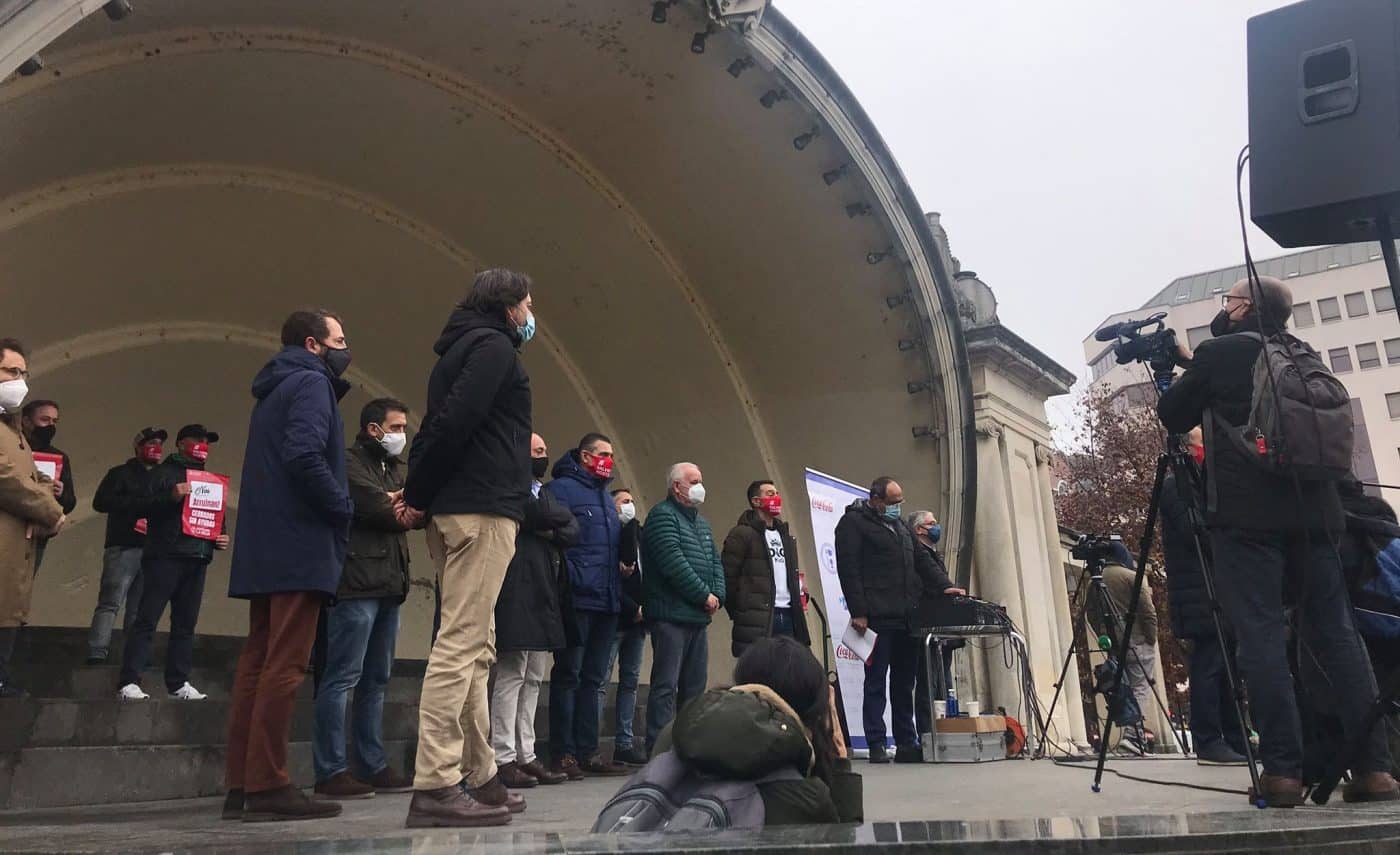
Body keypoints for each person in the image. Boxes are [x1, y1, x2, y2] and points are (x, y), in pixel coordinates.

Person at [1158, 274, 1398, 806]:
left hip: (1247, 523)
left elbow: (1173, 413)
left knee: (1260, 638)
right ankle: (1375, 768)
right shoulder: (1301, 351)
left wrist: (1189, 364)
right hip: (1318, 517)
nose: (1225, 309)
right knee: (1338, 638)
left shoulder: (1219, 353)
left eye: (1230, 302)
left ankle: (1284, 772)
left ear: (1243, 308)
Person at [400, 269, 534, 828]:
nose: (531, 313)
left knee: (479, 646)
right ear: (508, 306)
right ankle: (435, 783)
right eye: (527, 302)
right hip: (482, 511)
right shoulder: (496, 347)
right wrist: (416, 493)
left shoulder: (457, 350)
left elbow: (438, 426)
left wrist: (420, 494)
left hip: (457, 508)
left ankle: (481, 776)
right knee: (460, 645)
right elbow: (453, 422)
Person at [223, 309, 355, 823]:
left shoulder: (274, 388)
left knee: (257, 662)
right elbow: (305, 456)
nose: (347, 349)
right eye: (340, 340)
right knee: (286, 663)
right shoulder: (311, 384)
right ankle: (269, 783)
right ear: (313, 343)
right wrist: (342, 507)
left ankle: (241, 782)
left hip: (265, 543)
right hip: (300, 542)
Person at [599, 636, 862, 829]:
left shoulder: (678, 732)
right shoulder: (803, 794)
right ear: (813, 713)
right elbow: (845, 843)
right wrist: (838, 764)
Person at [311, 398, 415, 800]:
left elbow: (414, 507)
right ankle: (330, 769)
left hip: (391, 582)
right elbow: (374, 506)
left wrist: (399, 501)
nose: (401, 435)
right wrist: (396, 502)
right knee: (341, 677)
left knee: (377, 679)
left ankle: (372, 765)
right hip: (356, 582)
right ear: (374, 428)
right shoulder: (349, 462)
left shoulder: (396, 468)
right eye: (396, 426)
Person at [835, 477, 963, 764]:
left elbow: (922, 560)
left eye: (900, 502)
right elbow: (849, 569)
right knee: (876, 681)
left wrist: (944, 585)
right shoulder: (853, 524)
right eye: (893, 502)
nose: (897, 507)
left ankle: (907, 741)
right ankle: (877, 741)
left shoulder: (901, 528)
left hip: (907, 616)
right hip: (877, 616)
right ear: (876, 499)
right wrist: (859, 611)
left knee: (904, 683)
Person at [117, 424, 231, 701]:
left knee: (186, 624)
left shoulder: (210, 480)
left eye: (207, 440)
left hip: (197, 556)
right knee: (147, 618)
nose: (202, 444)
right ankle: (129, 680)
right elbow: (138, 507)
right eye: (197, 439)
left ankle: (178, 683)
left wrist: (221, 536)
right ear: (181, 444)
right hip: (164, 555)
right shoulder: (162, 474)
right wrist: (171, 496)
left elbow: (215, 515)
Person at [491, 433, 576, 789]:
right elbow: (538, 513)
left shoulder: (546, 491)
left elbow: (572, 528)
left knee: (534, 677)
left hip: (544, 591)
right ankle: (503, 755)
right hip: (516, 589)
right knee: (512, 674)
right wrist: (552, 521)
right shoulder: (510, 483)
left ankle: (528, 753)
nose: (544, 457)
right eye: (538, 451)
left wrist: (551, 524)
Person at [1161, 428, 1249, 766]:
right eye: (1202, 442)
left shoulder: (1204, 484)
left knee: (1228, 668)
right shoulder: (1176, 487)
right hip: (1198, 591)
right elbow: (1195, 531)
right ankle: (1209, 739)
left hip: (1218, 587)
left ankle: (1236, 737)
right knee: (1209, 666)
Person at [546, 433, 628, 778]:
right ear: (585, 456)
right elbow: (557, 540)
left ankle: (588, 751)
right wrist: (575, 577)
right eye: (603, 454)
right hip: (578, 597)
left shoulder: (606, 498)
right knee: (569, 675)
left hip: (606, 600)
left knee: (594, 679)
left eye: (611, 454)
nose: (609, 460)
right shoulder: (561, 490)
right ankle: (563, 751)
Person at [641, 462, 726, 753]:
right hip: (671, 617)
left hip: (697, 618)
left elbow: (715, 562)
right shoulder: (662, 517)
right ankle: (659, 748)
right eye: (694, 480)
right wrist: (704, 595)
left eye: (701, 479)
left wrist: (718, 594)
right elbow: (673, 564)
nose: (700, 486)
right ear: (676, 486)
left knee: (694, 689)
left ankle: (689, 747)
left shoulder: (701, 523)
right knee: (666, 686)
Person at [0, 339, 66, 698]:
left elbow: (34, 478)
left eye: (24, 374)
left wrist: (49, 504)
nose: (20, 381)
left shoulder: (15, 432)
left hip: (15, 549)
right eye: (11, 371)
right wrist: (51, 511)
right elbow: (8, 479)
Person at [85, 427, 166, 665]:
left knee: (139, 608)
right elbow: (101, 502)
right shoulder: (120, 474)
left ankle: (134, 656)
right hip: (123, 545)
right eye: (151, 443)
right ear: (138, 447)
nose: (156, 448)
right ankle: (97, 651)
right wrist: (139, 506)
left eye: (160, 443)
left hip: (152, 548)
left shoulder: (164, 476)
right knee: (111, 601)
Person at [722, 479, 810, 659]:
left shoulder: (785, 536)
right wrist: (742, 608)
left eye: (777, 494)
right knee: (757, 669)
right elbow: (728, 577)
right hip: (757, 617)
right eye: (770, 494)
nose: (776, 498)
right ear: (756, 501)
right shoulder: (742, 534)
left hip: (788, 614)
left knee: (787, 671)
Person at [600, 487, 647, 767]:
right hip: (617, 617)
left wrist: (645, 609)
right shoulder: (607, 536)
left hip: (639, 622)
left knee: (630, 682)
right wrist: (633, 608)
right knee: (601, 681)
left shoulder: (638, 536)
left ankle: (625, 743)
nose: (630, 506)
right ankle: (591, 744)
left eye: (632, 500)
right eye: (624, 501)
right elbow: (609, 580)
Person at [906, 510, 962, 736]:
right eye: (932, 523)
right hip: (927, 623)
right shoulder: (917, 554)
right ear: (919, 529)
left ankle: (946, 726)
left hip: (942, 627)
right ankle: (927, 731)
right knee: (928, 681)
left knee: (944, 681)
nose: (936, 526)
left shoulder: (933, 554)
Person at [1098, 542, 1158, 753]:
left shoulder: (1097, 580)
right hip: (1138, 640)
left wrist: (1103, 636)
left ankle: (1131, 734)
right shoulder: (1132, 577)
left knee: (1123, 689)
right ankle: (1133, 735)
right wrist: (1151, 638)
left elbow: (1092, 614)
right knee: (1140, 687)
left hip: (1115, 644)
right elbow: (1148, 612)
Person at [21, 399, 76, 571]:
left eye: (54, 421)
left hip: (38, 535)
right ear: (26, 421)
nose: (50, 426)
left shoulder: (59, 457)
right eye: (44, 420)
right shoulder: (14, 448)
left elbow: (70, 503)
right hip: (9, 527)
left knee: (24, 586)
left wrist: (61, 493)